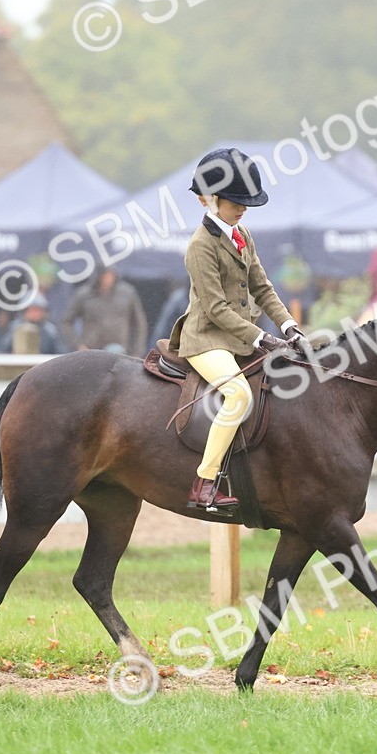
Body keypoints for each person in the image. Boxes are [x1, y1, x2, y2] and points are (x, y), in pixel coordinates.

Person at [168, 148, 307, 511]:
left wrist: (289, 326)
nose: (242, 208)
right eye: (233, 201)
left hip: (238, 335)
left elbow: (262, 286)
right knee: (239, 395)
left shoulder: (242, 232)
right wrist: (260, 336)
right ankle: (205, 482)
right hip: (206, 338)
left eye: (245, 202)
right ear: (206, 199)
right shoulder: (200, 247)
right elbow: (214, 308)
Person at [60, 266, 148, 356]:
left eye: (110, 275)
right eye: (104, 275)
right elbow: (66, 322)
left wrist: (136, 351)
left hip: (120, 349)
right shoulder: (84, 295)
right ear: (98, 276)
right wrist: (78, 345)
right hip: (91, 350)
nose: (107, 278)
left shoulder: (127, 293)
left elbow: (139, 324)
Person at [0, 293, 67, 355]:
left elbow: (59, 352)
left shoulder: (50, 330)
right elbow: (3, 350)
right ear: (25, 311)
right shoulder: (15, 328)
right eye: (31, 310)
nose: (34, 314)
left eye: (37, 310)